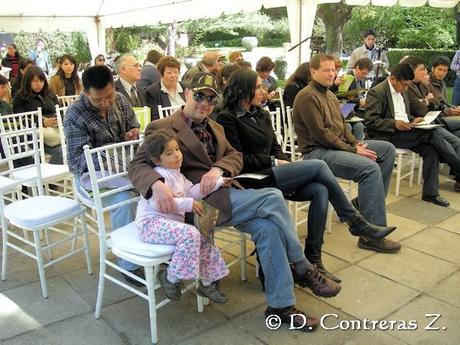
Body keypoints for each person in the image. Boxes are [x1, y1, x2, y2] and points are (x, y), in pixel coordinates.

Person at [129, 72, 342, 332]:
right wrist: (156, 185)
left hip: (225, 195)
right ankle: (302, 266)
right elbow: (137, 164)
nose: (205, 103)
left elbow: (235, 155)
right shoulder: (161, 127)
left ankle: (280, 306)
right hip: (193, 208)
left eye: (211, 98)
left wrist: (218, 169)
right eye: (199, 95)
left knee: (270, 228)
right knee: (274, 197)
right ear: (186, 94)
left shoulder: (215, 126)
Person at [216, 68, 396, 282]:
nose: (263, 91)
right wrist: (275, 162)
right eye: (257, 87)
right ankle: (353, 220)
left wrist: (281, 161)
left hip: (273, 172)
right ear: (243, 90)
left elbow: (275, 147)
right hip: (249, 180)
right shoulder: (227, 118)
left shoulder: (261, 113)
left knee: (320, 190)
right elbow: (239, 159)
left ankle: (314, 257)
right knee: (318, 165)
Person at [293, 54, 400, 254]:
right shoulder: (307, 96)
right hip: (317, 154)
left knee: (387, 150)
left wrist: (354, 142)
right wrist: (353, 149)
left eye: (333, 70)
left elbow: (342, 126)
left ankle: (364, 202)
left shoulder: (331, 95)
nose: (331, 73)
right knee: (369, 168)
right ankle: (370, 236)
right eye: (326, 70)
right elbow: (321, 134)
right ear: (313, 72)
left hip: (335, 147)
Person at [64, 65, 142, 285]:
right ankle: (128, 263)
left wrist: (131, 134)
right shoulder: (75, 113)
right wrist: (109, 157)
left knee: (154, 187)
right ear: (85, 92)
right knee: (124, 200)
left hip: (124, 169)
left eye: (109, 96)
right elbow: (79, 161)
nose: (105, 103)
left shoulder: (120, 100)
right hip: (90, 177)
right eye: (98, 100)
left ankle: (147, 244)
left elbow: (133, 128)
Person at [136, 129, 229, 302]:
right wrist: (189, 204)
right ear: (157, 160)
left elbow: (192, 191)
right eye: (169, 153)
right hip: (151, 224)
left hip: (170, 227)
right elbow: (157, 203)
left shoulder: (178, 176)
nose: (177, 155)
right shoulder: (160, 177)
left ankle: (208, 282)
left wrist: (218, 183)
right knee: (191, 233)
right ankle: (170, 278)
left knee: (202, 236)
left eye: (177, 149)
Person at [365, 63, 460, 201]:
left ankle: (430, 193)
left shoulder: (403, 89)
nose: (405, 88)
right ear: (392, 79)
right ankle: (457, 166)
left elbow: (403, 114)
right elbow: (370, 121)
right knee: (431, 134)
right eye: (403, 84)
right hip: (387, 135)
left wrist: (413, 119)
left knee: (430, 149)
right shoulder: (377, 92)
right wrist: (394, 124)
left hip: (406, 130)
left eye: (407, 84)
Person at [12, 66, 62, 164]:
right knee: (60, 151)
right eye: (35, 81)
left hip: (55, 131)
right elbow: (21, 118)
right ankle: (51, 174)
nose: (39, 84)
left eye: (41, 81)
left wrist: (58, 119)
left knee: (68, 148)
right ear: (28, 81)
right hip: (33, 135)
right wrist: (42, 122)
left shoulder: (49, 93)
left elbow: (59, 110)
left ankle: (55, 173)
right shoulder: (20, 97)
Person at [430, 55, 460, 137]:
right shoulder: (427, 83)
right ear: (433, 69)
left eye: (445, 71)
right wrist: (448, 111)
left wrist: (454, 108)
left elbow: (445, 103)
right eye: (439, 69)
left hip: (446, 117)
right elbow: (432, 107)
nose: (442, 73)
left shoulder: (442, 83)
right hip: (437, 119)